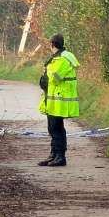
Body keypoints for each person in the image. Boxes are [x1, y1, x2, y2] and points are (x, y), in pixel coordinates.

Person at [37, 34, 80, 167]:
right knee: (52, 127)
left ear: (52, 44)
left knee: (56, 128)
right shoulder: (57, 58)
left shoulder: (63, 59)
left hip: (59, 99)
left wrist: (46, 73)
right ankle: (53, 154)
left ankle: (60, 157)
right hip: (53, 98)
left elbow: (55, 78)